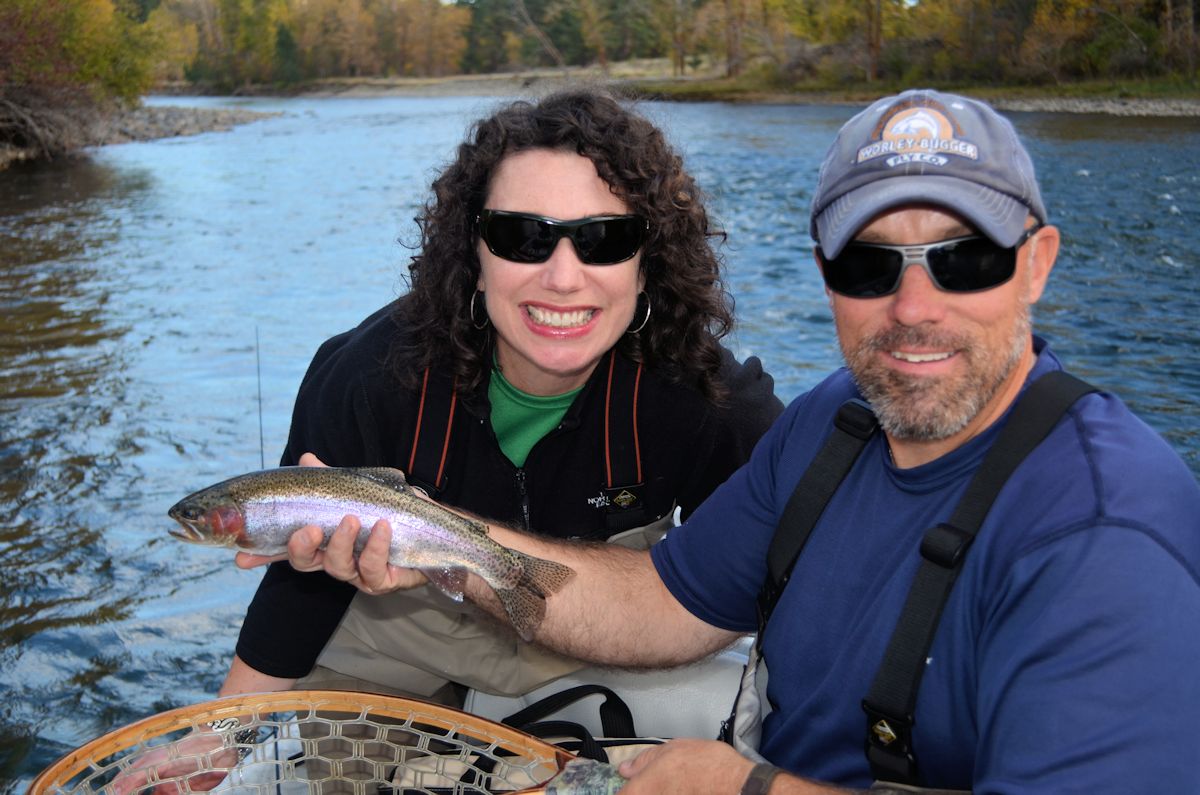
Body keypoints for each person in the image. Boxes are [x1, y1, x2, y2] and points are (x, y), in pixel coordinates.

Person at [281, 89, 1200, 792]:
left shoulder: (1107, 536)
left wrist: (749, 785)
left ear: (1036, 264)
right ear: (826, 276)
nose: (913, 308)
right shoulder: (833, 425)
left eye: (965, 259)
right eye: (869, 262)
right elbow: (656, 604)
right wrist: (429, 542)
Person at [220, 89, 784, 704]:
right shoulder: (365, 377)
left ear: (646, 264)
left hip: (593, 646)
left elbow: (790, 557)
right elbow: (297, 595)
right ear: (475, 257)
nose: (564, 278)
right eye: (522, 237)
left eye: (605, 239)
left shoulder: (704, 394)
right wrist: (219, 738)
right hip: (391, 646)